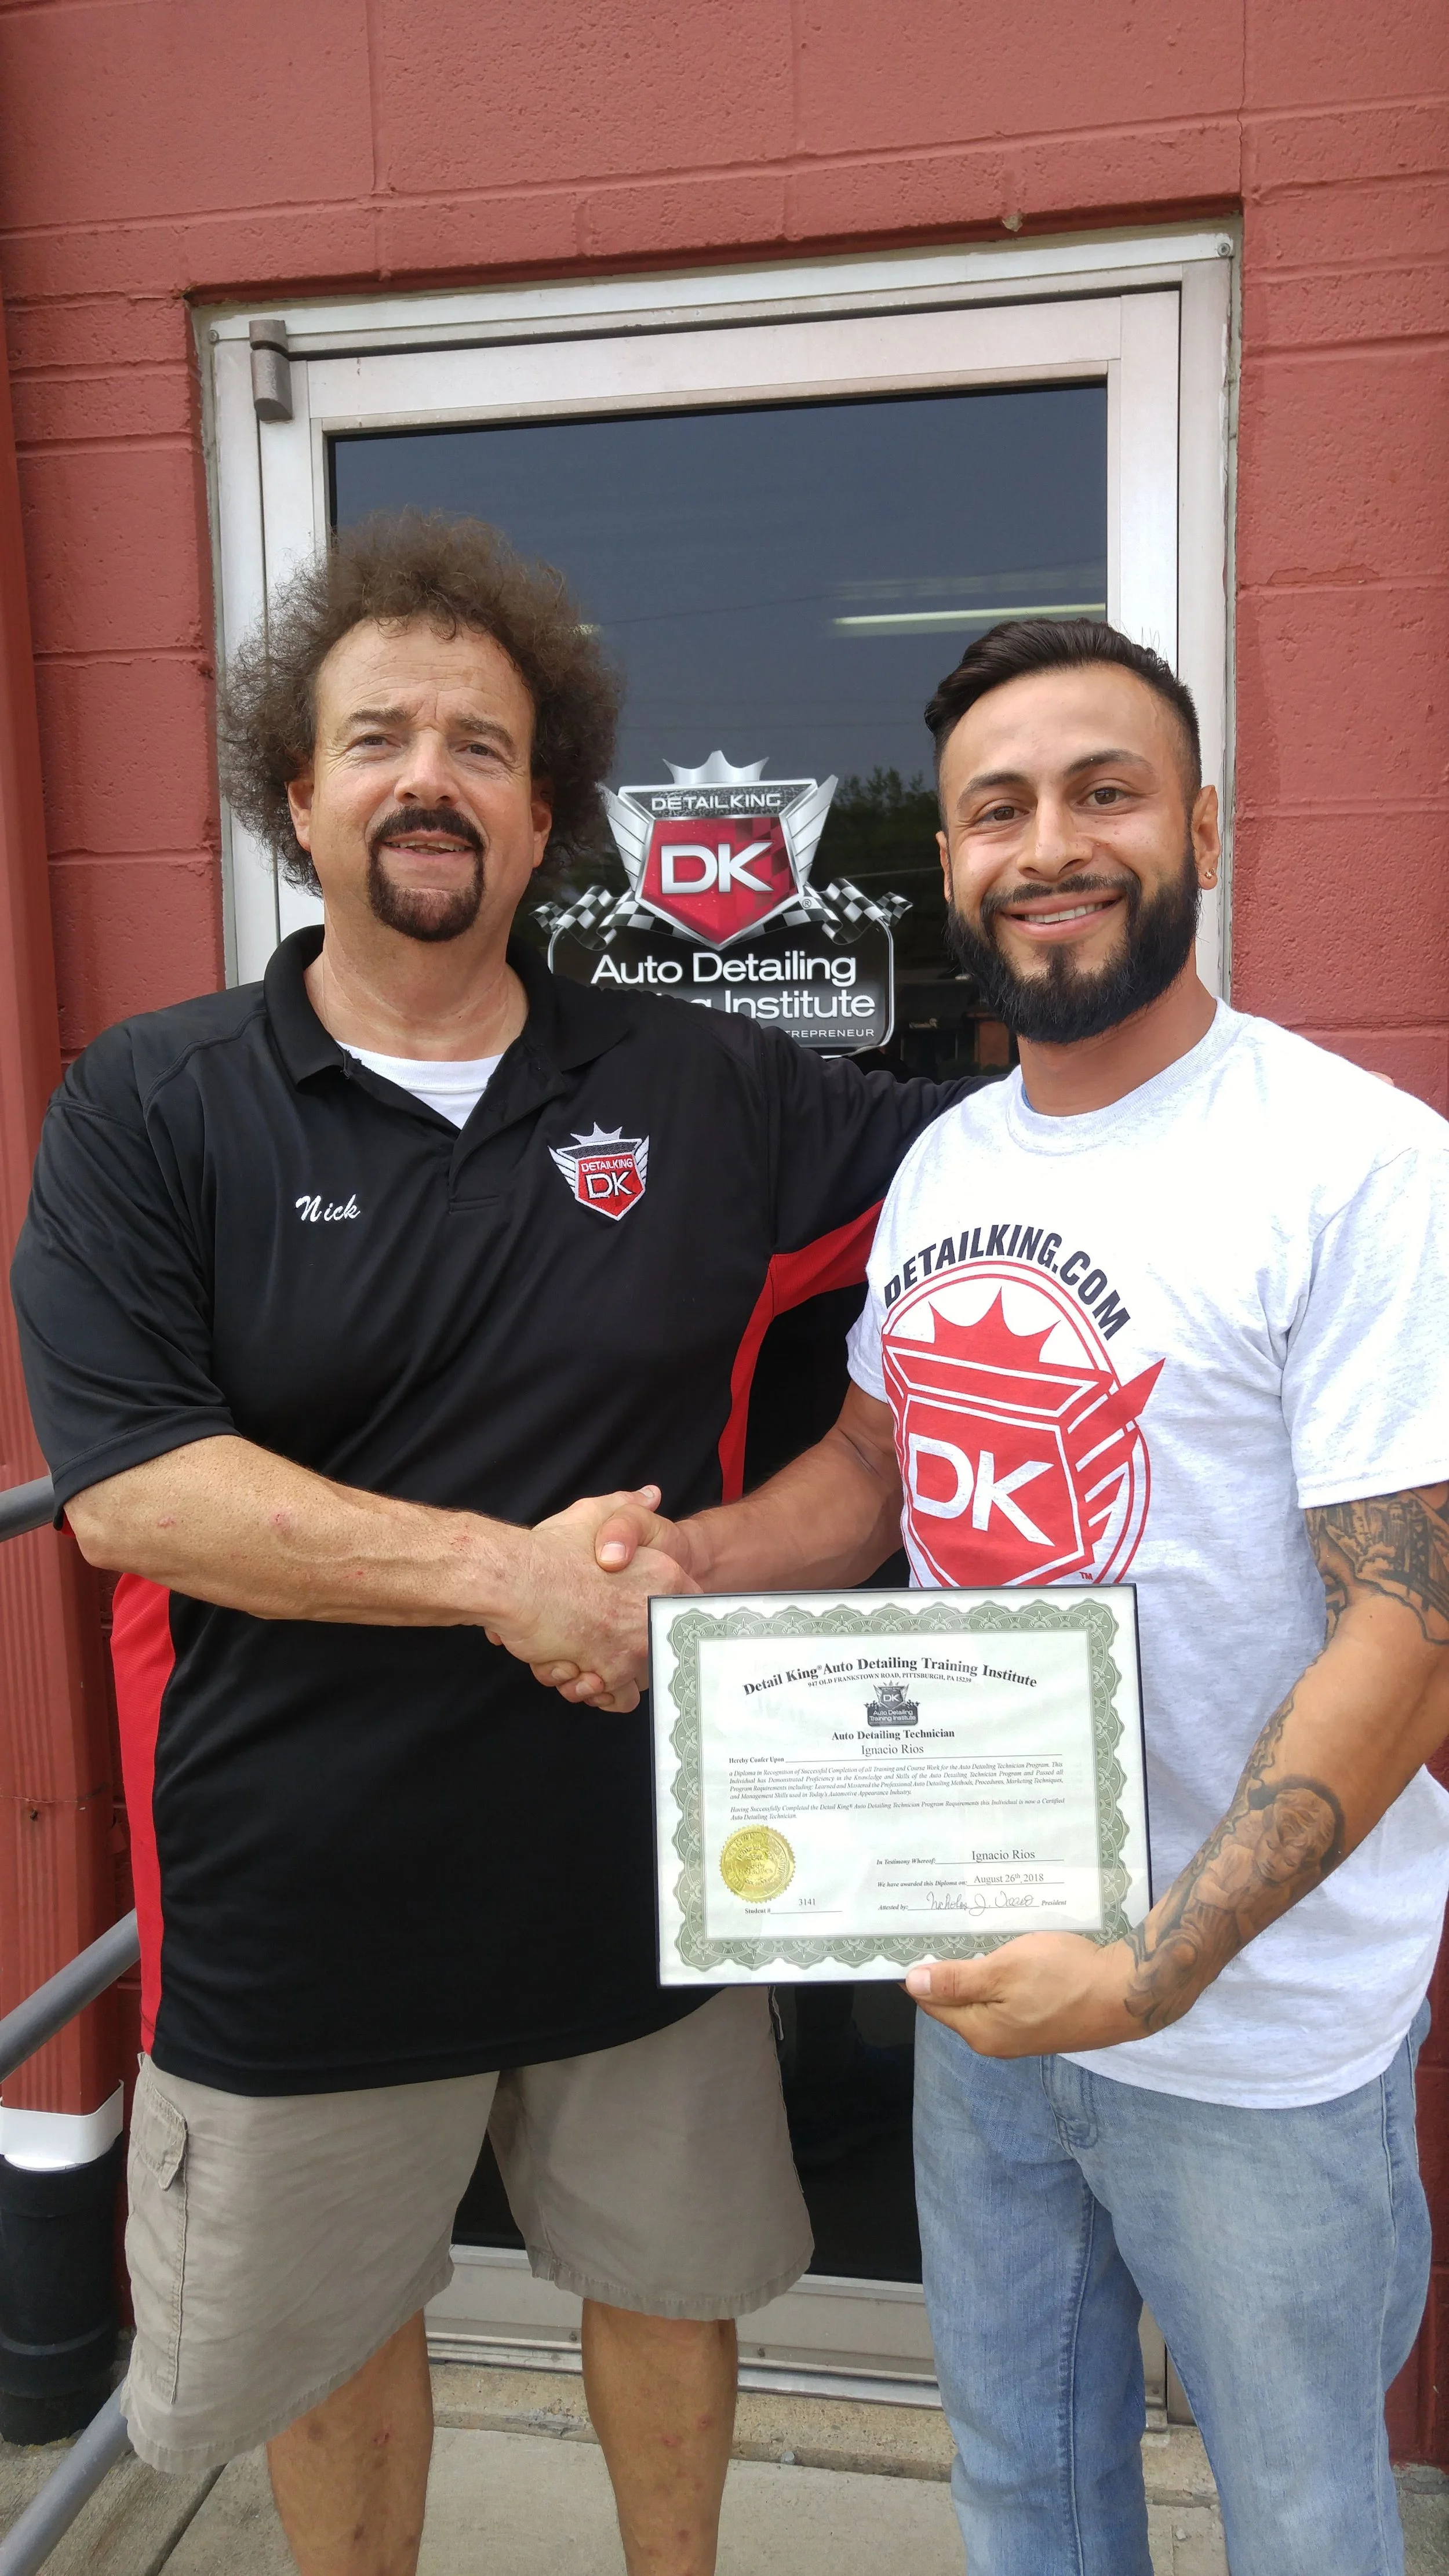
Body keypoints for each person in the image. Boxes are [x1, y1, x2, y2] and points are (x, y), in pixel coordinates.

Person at [9, 512, 975, 2576]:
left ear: (547, 818)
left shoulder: (712, 1085)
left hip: (646, 1860)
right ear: (298, 791)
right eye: (376, 738)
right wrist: (510, 1573)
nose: (426, 779)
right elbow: (135, 1489)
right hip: (295, 1885)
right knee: (336, 2339)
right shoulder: (151, 1105)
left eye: (480, 744)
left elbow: (1014, 1179)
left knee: (669, 2291)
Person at [554, 618, 1449, 2576]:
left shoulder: (1355, 1167)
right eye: (997, 808)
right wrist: (687, 1568)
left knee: (1301, 2524)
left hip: (1251, 2030)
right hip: (980, 1979)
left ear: (1203, 824)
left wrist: (1152, 1967)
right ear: (947, 864)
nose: (1051, 844)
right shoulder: (953, 1159)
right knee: (1027, 2492)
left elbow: (1414, 1624)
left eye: (1104, 792)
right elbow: (881, 1463)